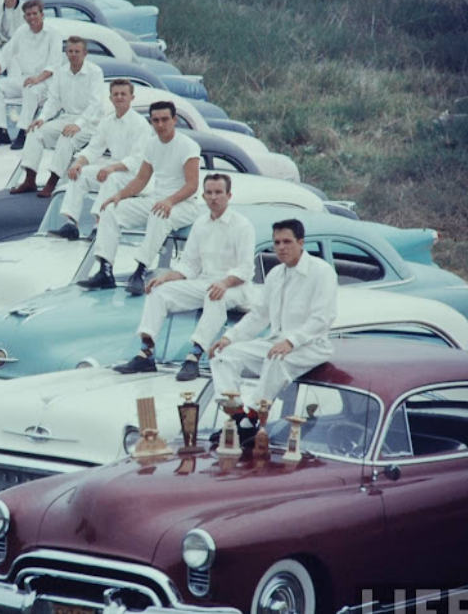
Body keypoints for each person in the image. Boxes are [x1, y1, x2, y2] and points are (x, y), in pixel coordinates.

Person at [116, 173, 255, 379]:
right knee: (159, 291)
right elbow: (190, 264)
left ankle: (194, 357)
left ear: (229, 195)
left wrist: (224, 283)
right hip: (205, 282)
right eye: (209, 192)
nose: (213, 197)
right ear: (204, 195)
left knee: (215, 295)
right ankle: (145, 353)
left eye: (218, 192)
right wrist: (166, 277)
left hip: (236, 288)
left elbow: (246, 269)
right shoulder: (201, 224)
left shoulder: (242, 225)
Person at [209, 218, 338, 430]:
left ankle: (253, 418)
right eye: (277, 242)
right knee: (224, 356)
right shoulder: (275, 274)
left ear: (301, 242)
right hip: (276, 344)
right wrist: (228, 337)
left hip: (312, 347)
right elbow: (259, 315)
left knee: (275, 360)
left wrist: (290, 342)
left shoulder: (322, 272)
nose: (281, 247)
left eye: (287, 241)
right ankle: (237, 416)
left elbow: (322, 318)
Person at [78, 100, 202, 295]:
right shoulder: (152, 144)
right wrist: (118, 195)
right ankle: (105, 270)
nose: (160, 125)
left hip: (184, 204)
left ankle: (140, 271)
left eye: (165, 120)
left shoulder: (188, 146)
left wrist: (169, 201)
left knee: (158, 214)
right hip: (158, 199)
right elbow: (142, 179)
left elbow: (192, 186)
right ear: (151, 122)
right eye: (156, 120)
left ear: (175, 120)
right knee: (110, 210)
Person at [49, 79, 151, 239]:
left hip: (135, 175)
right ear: (110, 98)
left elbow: (137, 158)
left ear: (132, 97)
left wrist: (112, 168)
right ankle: (71, 224)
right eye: (115, 94)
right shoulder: (107, 122)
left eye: (123, 94)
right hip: (113, 170)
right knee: (80, 173)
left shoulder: (141, 124)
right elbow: (94, 148)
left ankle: (99, 225)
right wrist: (78, 162)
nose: (119, 97)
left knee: (111, 177)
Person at [9, 36, 104, 197]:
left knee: (67, 137)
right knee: (35, 131)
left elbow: (95, 104)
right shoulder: (61, 72)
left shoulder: (95, 72)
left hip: (91, 123)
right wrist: (42, 118)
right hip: (66, 118)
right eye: (70, 51)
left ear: (85, 53)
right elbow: (53, 100)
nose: (73, 55)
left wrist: (79, 125)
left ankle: (52, 182)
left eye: (77, 51)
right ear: (66, 53)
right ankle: (30, 179)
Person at [0, 0, 60, 150]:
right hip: (26, 78)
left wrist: (37, 78)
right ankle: (2, 132)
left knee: (30, 89)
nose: (32, 17)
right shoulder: (21, 32)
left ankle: (23, 133)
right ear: (24, 17)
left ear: (42, 14)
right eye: (28, 14)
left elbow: (54, 64)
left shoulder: (53, 34)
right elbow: (6, 54)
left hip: (47, 81)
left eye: (35, 13)